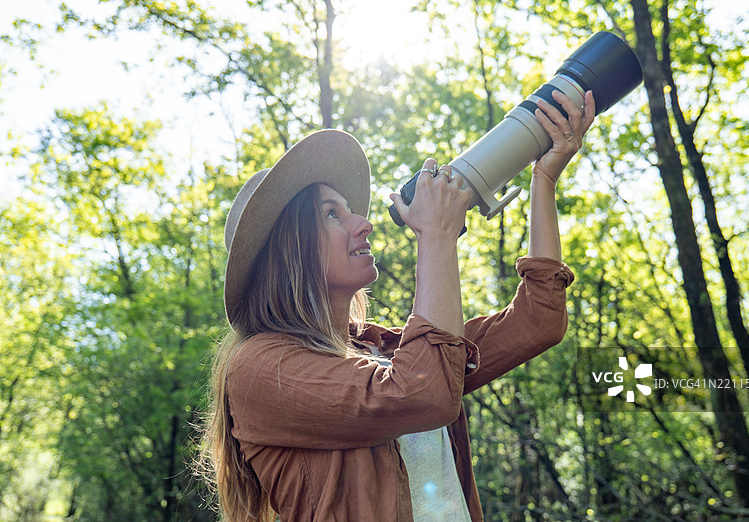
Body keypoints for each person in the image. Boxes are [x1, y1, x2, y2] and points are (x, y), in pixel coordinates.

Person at [199, 89, 596, 521]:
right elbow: (422, 392)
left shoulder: (387, 351)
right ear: (287, 251)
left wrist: (545, 179)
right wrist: (437, 237)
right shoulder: (259, 368)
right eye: (332, 214)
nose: (364, 223)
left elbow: (539, 321)